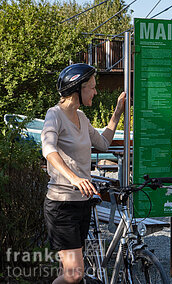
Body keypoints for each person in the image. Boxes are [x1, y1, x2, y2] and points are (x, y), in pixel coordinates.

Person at [41, 63, 125, 283]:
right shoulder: (55, 115)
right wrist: (75, 178)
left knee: (69, 272)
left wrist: (117, 112)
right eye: (92, 87)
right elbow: (48, 149)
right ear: (77, 88)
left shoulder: (82, 117)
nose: (95, 92)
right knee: (74, 274)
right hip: (62, 205)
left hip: (82, 203)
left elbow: (104, 143)